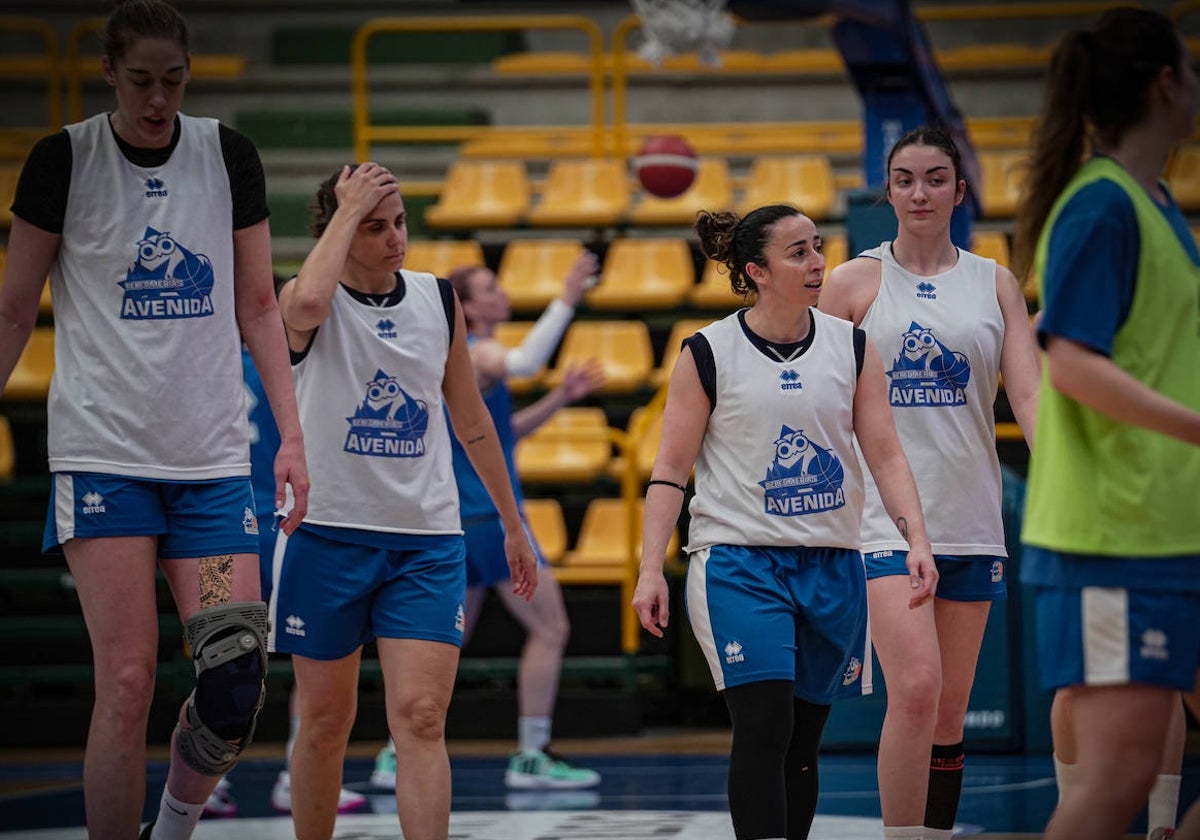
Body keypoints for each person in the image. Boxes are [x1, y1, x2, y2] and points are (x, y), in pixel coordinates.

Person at [0, 1, 309, 838]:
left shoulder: (226, 156)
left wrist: (291, 436)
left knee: (235, 676)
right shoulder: (63, 159)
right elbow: (12, 312)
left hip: (209, 469)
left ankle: (169, 828)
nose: (157, 98)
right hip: (105, 462)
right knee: (129, 679)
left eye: (173, 81)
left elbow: (256, 305)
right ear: (109, 72)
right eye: (141, 80)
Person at [633, 205, 938, 840]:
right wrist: (647, 569)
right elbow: (669, 469)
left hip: (831, 561)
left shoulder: (851, 346)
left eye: (818, 247)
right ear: (757, 272)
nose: (818, 262)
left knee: (802, 743)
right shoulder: (708, 352)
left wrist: (917, 537)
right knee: (764, 725)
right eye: (798, 252)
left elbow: (884, 452)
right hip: (741, 562)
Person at [271, 162, 537, 840]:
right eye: (372, 226)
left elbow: (472, 419)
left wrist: (512, 523)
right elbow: (299, 309)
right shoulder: (308, 301)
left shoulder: (436, 298)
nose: (395, 239)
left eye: (399, 222)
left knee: (421, 716)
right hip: (327, 534)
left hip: (425, 540)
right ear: (337, 229)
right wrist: (344, 207)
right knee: (327, 723)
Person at [817, 125, 1040, 840]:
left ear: (959, 190)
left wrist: (1063, 482)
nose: (920, 192)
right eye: (906, 178)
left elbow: (1030, 398)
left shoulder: (994, 283)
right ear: (887, 190)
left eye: (936, 177)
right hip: (884, 522)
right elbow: (813, 399)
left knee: (948, 711)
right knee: (914, 689)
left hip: (972, 517)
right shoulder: (851, 282)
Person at [1010, 6, 1200, 839]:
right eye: (1190, 69)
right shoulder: (1102, 206)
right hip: (1114, 536)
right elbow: (1073, 362)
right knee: (1113, 782)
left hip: (1165, 526)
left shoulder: (1151, 202)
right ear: (1167, 84)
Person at [372, 253, 605, 792]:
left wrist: (560, 399)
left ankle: (392, 753)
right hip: (487, 518)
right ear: (471, 308)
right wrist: (568, 297)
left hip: (461, 519)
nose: (503, 294)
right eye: (491, 288)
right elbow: (522, 361)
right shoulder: (479, 354)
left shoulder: (471, 363)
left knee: (446, 642)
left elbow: (501, 434)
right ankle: (531, 753)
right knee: (551, 627)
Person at [201, 347, 368, 818]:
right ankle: (294, 779)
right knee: (309, 653)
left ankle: (208, 780)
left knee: (221, 653)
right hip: (287, 523)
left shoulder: (210, 359)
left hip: (216, 522)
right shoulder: (301, 363)